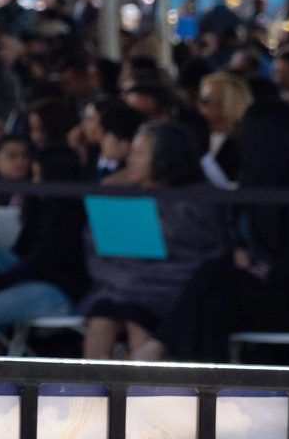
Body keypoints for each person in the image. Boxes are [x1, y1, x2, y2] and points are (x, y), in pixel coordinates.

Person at [155, 100, 289, 362]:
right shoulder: (253, 184)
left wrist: (270, 273)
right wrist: (240, 251)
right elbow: (241, 237)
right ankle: (210, 387)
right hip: (258, 290)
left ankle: (158, 347)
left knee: (211, 273)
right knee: (213, 307)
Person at [80, 122, 231, 361]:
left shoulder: (199, 197)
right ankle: (89, 390)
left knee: (137, 321)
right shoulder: (123, 194)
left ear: (165, 157)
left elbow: (208, 254)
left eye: (139, 153)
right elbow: (98, 245)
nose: (130, 160)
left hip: (168, 290)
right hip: (120, 285)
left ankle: (147, 394)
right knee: (100, 322)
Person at [0, 143, 87, 354]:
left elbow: (38, 263)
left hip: (54, 292)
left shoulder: (72, 217)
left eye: (40, 176)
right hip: (26, 280)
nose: (35, 182)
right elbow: (23, 255)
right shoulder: (39, 207)